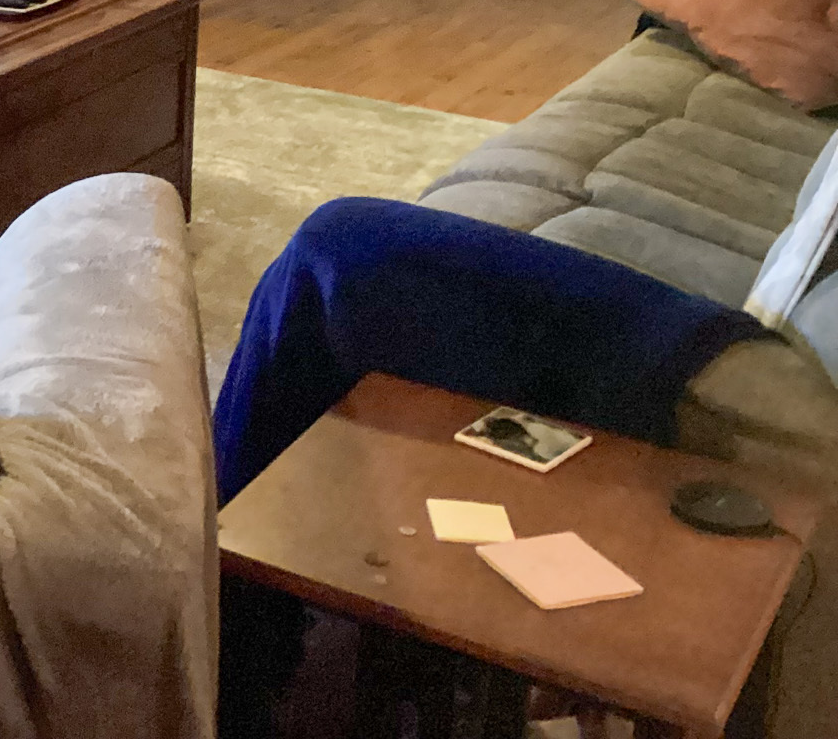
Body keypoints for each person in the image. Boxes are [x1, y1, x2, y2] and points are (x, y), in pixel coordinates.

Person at [212, 196, 771, 737]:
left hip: (743, 374)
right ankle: (238, 628)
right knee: (332, 255)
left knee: (333, 243)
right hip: (751, 359)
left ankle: (230, 643)